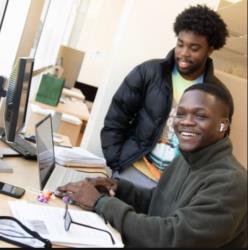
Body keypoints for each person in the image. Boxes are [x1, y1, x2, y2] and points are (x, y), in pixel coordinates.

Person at [56, 83, 247, 248]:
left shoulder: (231, 182)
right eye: (181, 114)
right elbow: (157, 201)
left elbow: (172, 237)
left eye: (200, 116)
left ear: (223, 126)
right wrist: (119, 188)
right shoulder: (187, 157)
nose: (186, 122)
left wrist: (100, 203)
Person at [100, 4, 231, 186]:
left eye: (194, 48)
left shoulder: (217, 95)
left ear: (210, 49)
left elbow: (216, 148)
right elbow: (116, 119)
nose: (183, 53)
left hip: (175, 188)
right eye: (180, 44)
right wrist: (116, 161)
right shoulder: (148, 73)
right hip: (133, 171)